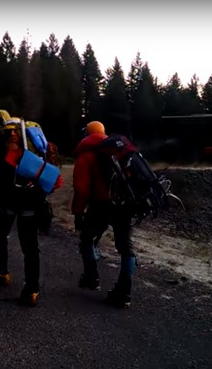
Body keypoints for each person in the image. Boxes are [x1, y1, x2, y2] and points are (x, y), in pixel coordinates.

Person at [0, 116, 52, 307]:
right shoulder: (35, 155)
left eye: (13, 131)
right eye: (9, 131)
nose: (11, 134)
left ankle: (24, 286)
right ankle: (18, 283)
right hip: (23, 205)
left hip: (14, 204)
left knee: (16, 242)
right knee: (14, 241)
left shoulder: (10, 154)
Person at [72, 120, 136, 308]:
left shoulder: (86, 155)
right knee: (125, 246)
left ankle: (92, 278)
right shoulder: (120, 150)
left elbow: (81, 189)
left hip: (101, 205)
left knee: (87, 239)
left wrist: (78, 213)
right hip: (125, 204)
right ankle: (124, 291)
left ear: (87, 134)